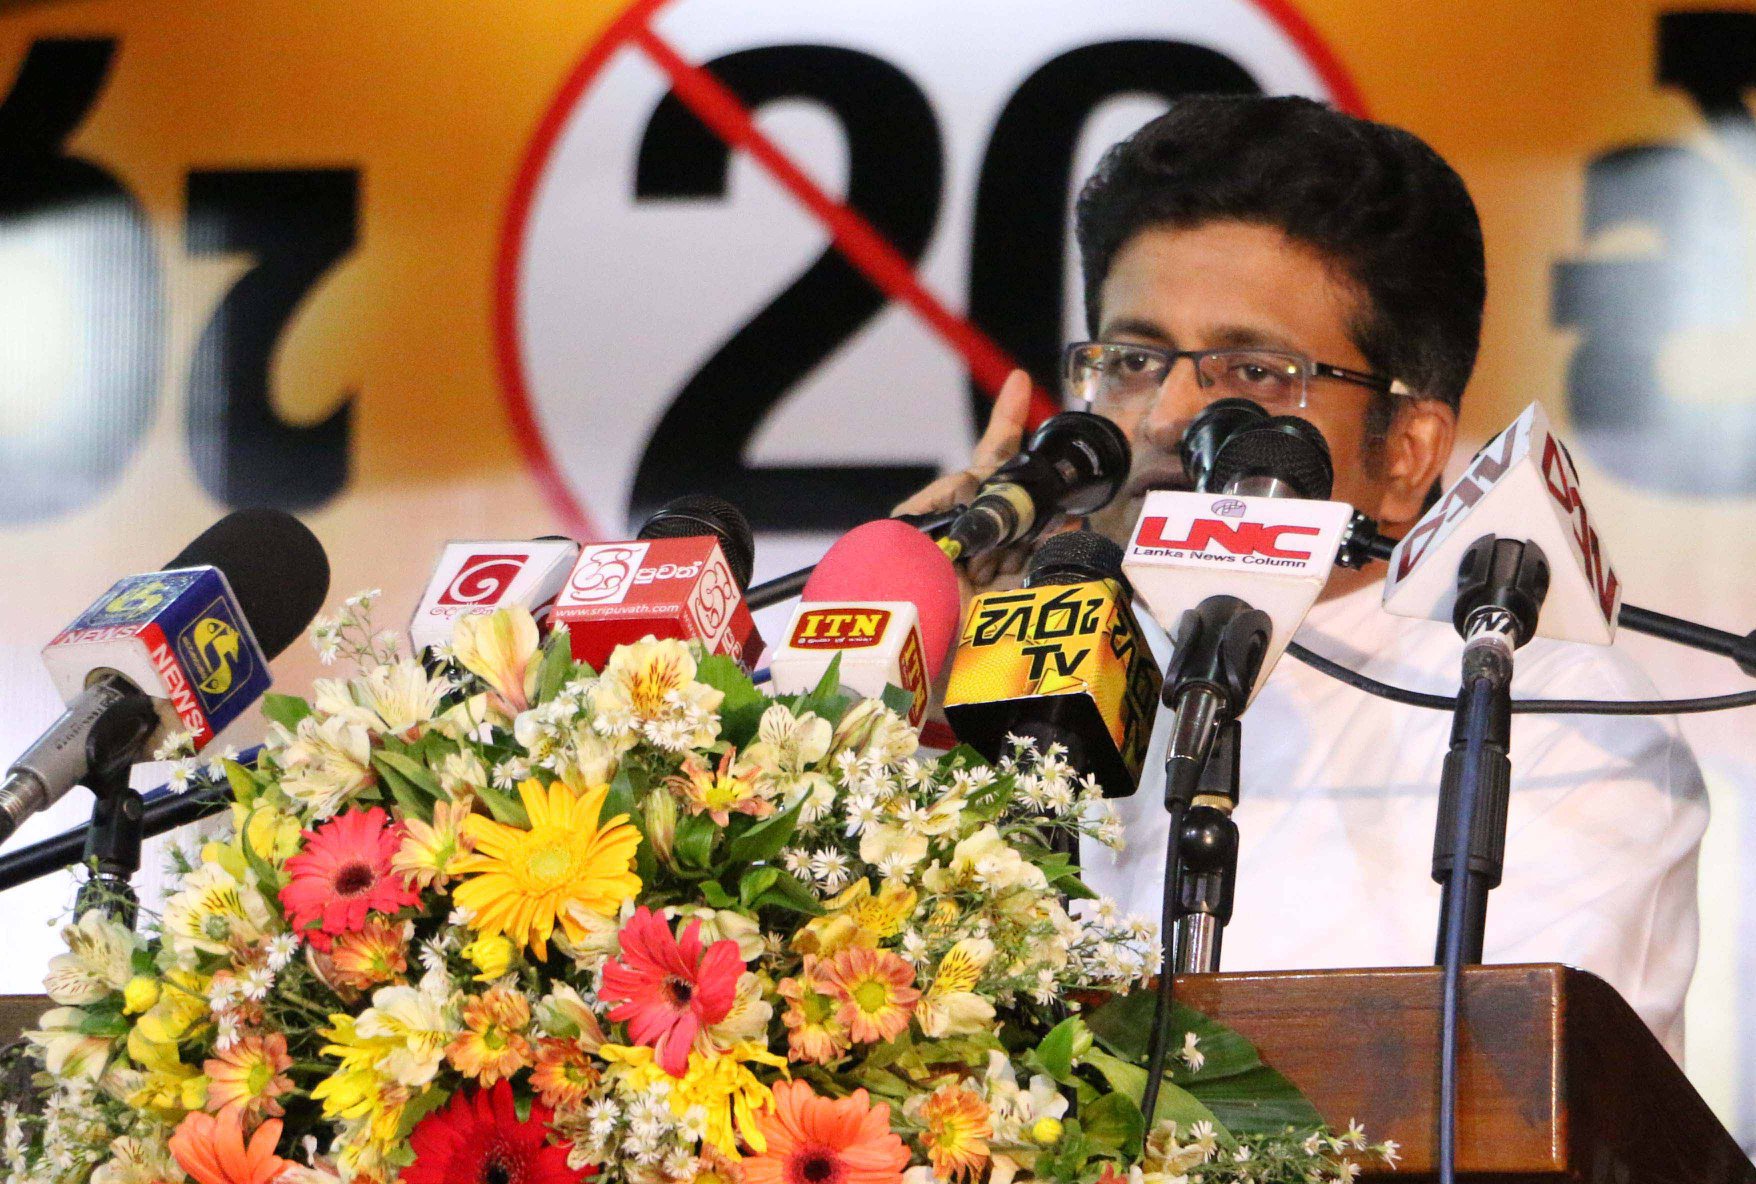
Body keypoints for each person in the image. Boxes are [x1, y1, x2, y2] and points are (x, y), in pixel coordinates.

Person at [895, 95, 1706, 1058]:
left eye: (1253, 372)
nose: (1163, 417)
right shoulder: (1006, 662)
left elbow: (1516, 1100)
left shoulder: (1561, 721)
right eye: (1134, 359)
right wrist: (912, 699)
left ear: (1406, 452)